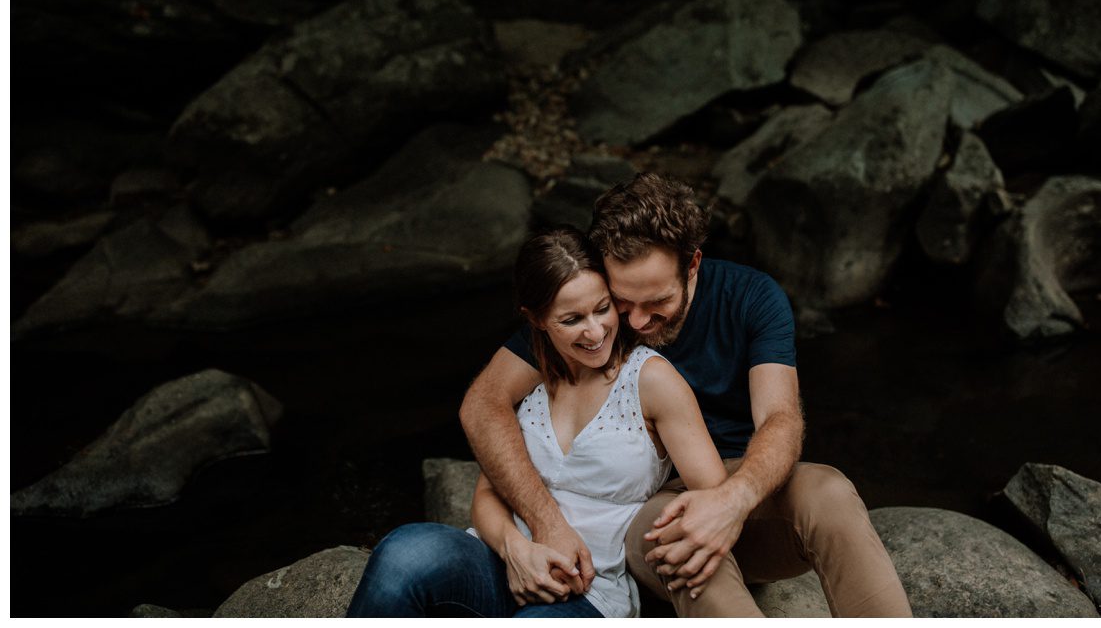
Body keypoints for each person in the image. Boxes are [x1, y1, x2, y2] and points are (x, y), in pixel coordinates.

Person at [460, 173, 913, 617]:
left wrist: (732, 501)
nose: (634, 322)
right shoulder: (592, 318)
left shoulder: (752, 298)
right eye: (622, 301)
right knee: (679, 539)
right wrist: (544, 523)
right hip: (647, 505)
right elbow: (483, 403)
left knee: (830, 491)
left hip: (743, 486)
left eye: (656, 301)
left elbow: (781, 418)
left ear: (692, 264)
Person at [347, 226, 728, 618]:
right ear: (537, 319)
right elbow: (488, 492)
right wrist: (517, 550)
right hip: (500, 563)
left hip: (587, 591)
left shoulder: (651, 380)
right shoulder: (530, 378)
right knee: (404, 551)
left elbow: (715, 494)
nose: (595, 332)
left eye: (602, 308)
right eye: (572, 319)